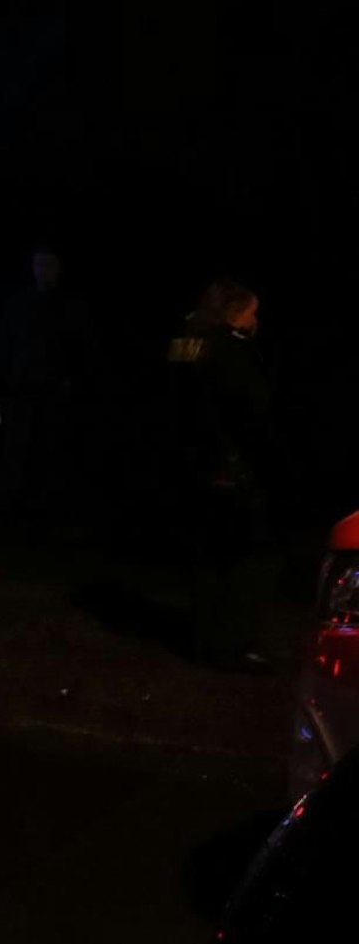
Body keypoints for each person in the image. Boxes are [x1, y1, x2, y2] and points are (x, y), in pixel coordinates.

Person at [163, 276, 286, 673]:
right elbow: (253, 414)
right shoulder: (231, 353)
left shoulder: (183, 345)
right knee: (248, 559)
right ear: (235, 313)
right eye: (252, 312)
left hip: (192, 467)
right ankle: (233, 645)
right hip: (231, 471)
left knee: (206, 558)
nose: (256, 320)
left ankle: (203, 640)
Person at [0, 243, 103, 522]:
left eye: (48, 265)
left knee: (52, 451)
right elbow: (5, 346)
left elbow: (83, 348)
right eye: (38, 265)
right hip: (21, 389)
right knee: (17, 450)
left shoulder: (71, 306)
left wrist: (72, 381)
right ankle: (11, 509)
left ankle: (49, 510)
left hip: (55, 391)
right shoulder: (19, 304)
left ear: (59, 269)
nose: (43, 271)